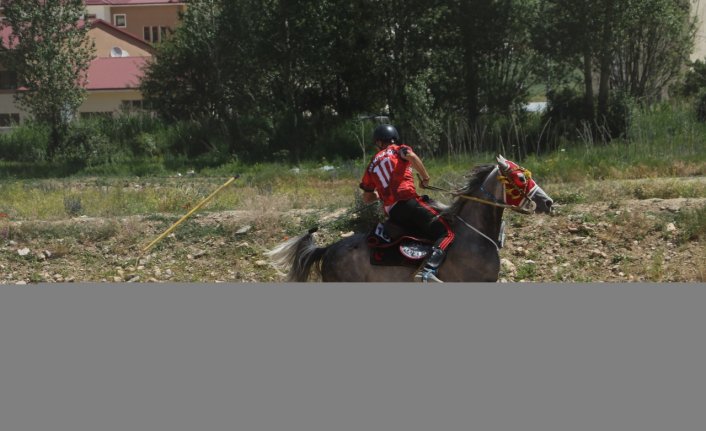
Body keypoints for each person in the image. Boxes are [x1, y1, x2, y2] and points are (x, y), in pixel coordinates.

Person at [359, 124, 455, 282]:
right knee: (447, 232)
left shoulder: (371, 165)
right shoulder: (398, 149)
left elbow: (367, 198)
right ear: (393, 138)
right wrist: (425, 178)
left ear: (378, 142)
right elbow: (411, 156)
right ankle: (428, 270)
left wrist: (381, 194)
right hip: (408, 202)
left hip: (393, 212)